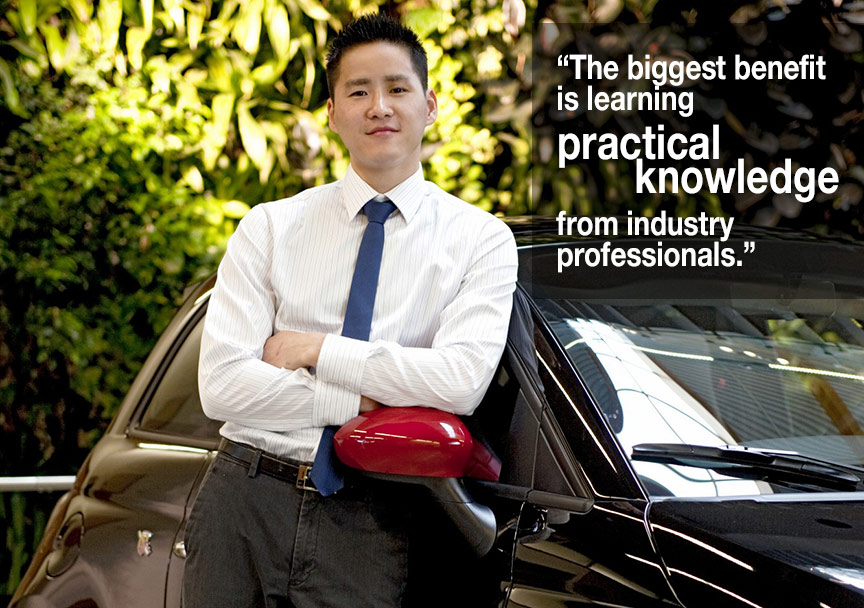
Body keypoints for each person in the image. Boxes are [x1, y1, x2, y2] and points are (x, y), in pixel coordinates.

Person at [183, 13, 518, 608]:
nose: (378, 107)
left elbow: (461, 385)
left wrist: (317, 350)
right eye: (358, 92)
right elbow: (223, 386)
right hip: (244, 496)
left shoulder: (480, 240)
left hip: (373, 511)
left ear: (430, 104)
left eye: (397, 88)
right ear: (333, 113)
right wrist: (360, 399)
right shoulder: (270, 226)